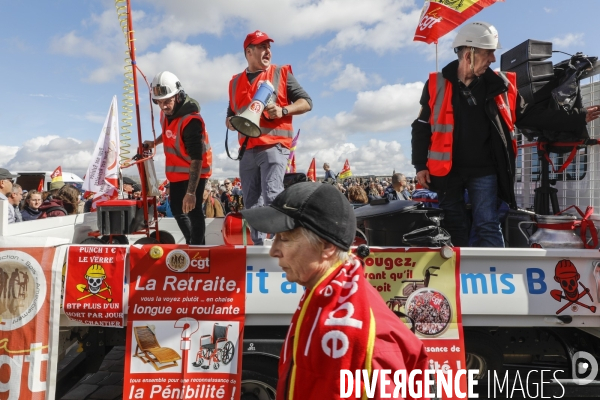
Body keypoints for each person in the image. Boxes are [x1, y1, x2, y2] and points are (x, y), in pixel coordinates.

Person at [411, 21, 600, 247]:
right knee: (453, 224)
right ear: (469, 53)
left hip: (485, 171)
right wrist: (420, 164)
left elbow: (530, 115)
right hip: (447, 172)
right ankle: (459, 275)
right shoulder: (436, 84)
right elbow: (421, 126)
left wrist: (576, 117)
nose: (492, 59)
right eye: (489, 52)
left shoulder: (501, 85)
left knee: (487, 223)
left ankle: (496, 276)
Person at [241, 182, 428, 399]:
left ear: (327, 247)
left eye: (284, 239)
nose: (273, 251)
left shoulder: (365, 336)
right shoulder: (324, 294)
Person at [226, 30, 312, 245]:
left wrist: (283, 110)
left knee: (273, 196)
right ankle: (259, 247)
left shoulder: (281, 73)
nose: (268, 51)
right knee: (251, 202)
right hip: (247, 150)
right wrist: (230, 122)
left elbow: (307, 102)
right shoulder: (235, 82)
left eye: (269, 47)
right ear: (249, 52)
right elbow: (230, 114)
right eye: (262, 47)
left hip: (274, 146)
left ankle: (282, 246)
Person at [144, 71, 212, 245]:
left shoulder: (191, 122)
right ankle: (192, 243)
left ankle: (198, 249)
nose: (163, 106)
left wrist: (191, 193)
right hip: (176, 173)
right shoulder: (166, 114)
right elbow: (169, 132)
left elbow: (197, 159)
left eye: (167, 101)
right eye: (159, 102)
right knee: (176, 209)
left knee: (193, 209)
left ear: (179, 95)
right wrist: (155, 143)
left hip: (195, 171)